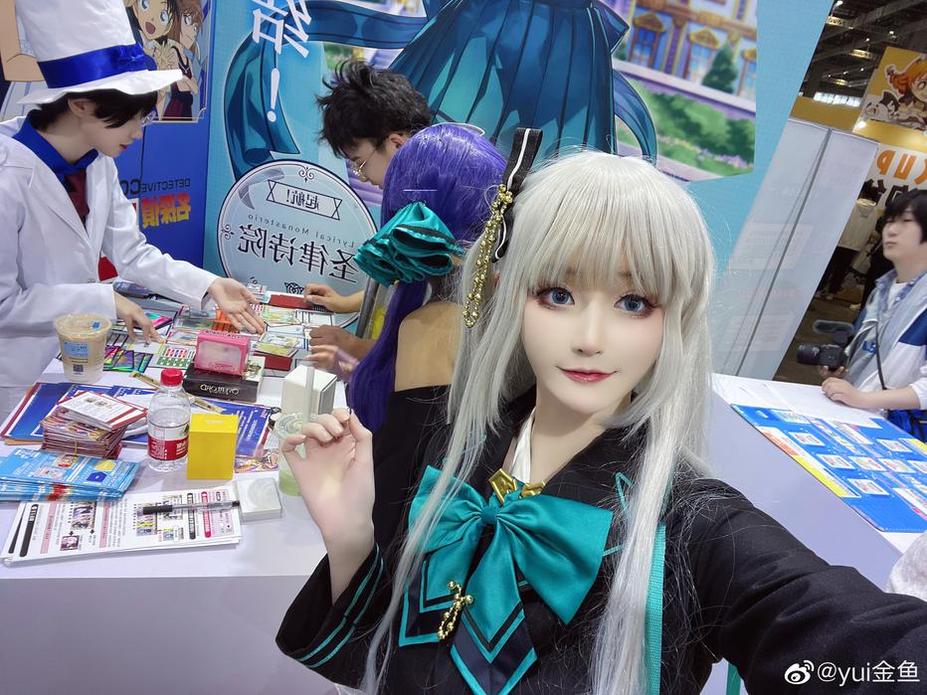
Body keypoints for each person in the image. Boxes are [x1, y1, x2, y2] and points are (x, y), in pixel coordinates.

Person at [277, 150, 927, 693]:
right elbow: (388, 657)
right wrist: (352, 540)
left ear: (674, 320)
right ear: (512, 296)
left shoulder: (694, 527)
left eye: (633, 302)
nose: (590, 337)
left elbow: (857, 641)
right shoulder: (457, 443)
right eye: (557, 294)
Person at [0, 0, 264, 422]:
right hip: (20, 374)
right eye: (130, 120)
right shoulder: (8, 174)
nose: (138, 134)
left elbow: (132, 252)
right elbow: (4, 304)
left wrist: (210, 283)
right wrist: (101, 299)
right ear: (81, 105)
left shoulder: (97, 161)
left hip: (84, 360)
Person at [346, 123, 505, 432]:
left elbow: (400, 459)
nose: (364, 177)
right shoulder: (466, 319)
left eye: (360, 163)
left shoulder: (433, 326)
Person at [304, 59, 434, 368]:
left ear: (397, 144)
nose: (362, 176)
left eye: (360, 162)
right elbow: (398, 286)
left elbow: (433, 334)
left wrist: (355, 347)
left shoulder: (433, 221)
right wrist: (344, 302)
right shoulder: (408, 202)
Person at [821, 190, 927, 438]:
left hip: (898, 434)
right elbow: (868, 355)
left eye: (906, 221)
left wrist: (864, 398)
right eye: (890, 220)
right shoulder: (883, 290)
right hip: (854, 421)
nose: (891, 230)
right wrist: (842, 375)